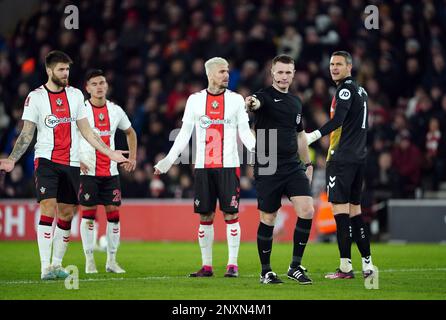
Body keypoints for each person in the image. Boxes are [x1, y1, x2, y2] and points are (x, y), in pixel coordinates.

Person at [0, 51, 129, 280]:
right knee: (48, 206)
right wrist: (12, 159)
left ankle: (57, 264)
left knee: (67, 213)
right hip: (46, 160)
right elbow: (27, 133)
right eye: (61, 69)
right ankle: (44, 267)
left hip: (71, 162)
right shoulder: (36, 97)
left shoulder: (76, 95)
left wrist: (110, 153)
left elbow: (87, 131)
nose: (65, 73)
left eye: (67, 69)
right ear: (49, 71)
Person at [154, 57, 256, 278]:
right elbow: (184, 134)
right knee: (205, 216)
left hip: (228, 166)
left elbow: (245, 132)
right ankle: (207, 266)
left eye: (227, 71)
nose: (226, 75)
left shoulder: (237, 100)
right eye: (221, 71)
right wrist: (169, 160)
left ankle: (232, 265)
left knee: (231, 215)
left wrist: (258, 152)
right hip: (203, 167)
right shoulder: (194, 100)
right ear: (209, 74)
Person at [245, 54, 314, 285]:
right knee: (269, 217)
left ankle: (295, 266)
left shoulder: (296, 102)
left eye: (288, 72)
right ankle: (266, 271)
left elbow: (300, 135)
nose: (284, 76)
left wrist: (309, 163)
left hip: (292, 164)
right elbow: (255, 102)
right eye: (280, 72)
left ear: (293, 74)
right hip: (267, 162)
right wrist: (250, 103)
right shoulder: (263, 96)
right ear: (272, 73)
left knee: (307, 210)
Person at [306, 51, 375, 279]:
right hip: (358, 158)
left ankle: (345, 267)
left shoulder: (344, 89)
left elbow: (338, 120)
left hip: (341, 158)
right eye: (332, 64)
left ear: (349, 67)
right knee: (355, 211)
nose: (334, 68)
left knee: (339, 212)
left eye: (339, 64)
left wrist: (312, 136)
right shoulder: (361, 91)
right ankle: (367, 264)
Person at [78, 69, 137, 274]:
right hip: (88, 170)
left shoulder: (115, 110)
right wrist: (77, 159)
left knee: (114, 214)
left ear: (107, 85)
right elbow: (67, 137)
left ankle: (111, 260)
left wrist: (133, 158)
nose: (99, 87)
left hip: (111, 172)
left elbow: (130, 132)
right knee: (88, 215)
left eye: (102, 82)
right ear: (87, 88)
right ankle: (89, 260)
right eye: (94, 84)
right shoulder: (80, 111)